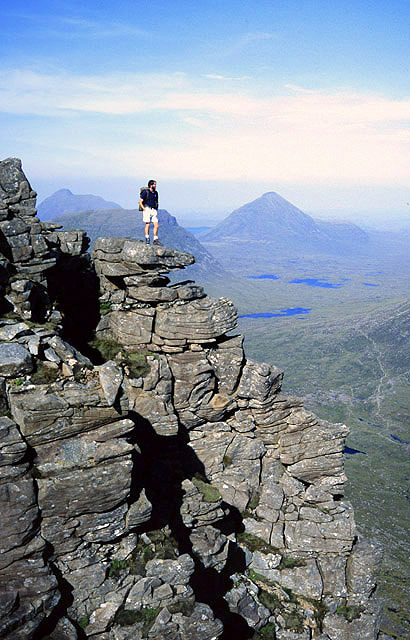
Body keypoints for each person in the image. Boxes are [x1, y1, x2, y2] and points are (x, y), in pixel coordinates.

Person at [139, 179, 162, 245]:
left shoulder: (155, 193)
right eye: (154, 184)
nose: (155, 186)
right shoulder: (146, 192)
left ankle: (155, 239)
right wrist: (144, 209)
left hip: (153, 209)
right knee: (148, 224)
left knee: (156, 225)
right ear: (151, 185)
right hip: (147, 209)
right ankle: (147, 239)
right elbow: (140, 202)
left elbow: (156, 200)